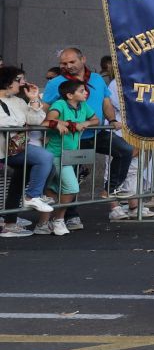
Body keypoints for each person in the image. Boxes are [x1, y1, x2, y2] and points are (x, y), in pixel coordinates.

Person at [43, 47, 130, 227]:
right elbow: (46, 107)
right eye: (64, 63)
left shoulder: (97, 79)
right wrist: (51, 126)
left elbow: (106, 102)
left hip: (96, 132)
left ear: (83, 59)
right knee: (71, 176)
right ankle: (70, 215)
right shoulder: (56, 83)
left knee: (125, 150)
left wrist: (112, 119)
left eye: (72, 62)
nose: (68, 66)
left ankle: (110, 190)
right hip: (72, 138)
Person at [0, 67, 55, 222]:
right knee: (45, 157)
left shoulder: (18, 100)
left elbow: (36, 120)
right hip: (4, 151)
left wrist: (34, 99)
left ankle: (10, 222)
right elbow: (4, 122)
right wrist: (21, 124)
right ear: (9, 81)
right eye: (20, 79)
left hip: (16, 148)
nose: (24, 83)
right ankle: (33, 196)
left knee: (21, 181)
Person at [42, 78, 96, 235]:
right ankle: (58, 220)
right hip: (56, 154)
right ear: (70, 95)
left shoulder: (83, 105)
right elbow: (47, 121)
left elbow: (96, 119)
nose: (85, 92)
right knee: (72, 187)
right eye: (81, 90)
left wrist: (86, 123)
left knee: (53, 189)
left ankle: (43, 224)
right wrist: (60, 123)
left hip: (70, 155)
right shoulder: (59, 105)